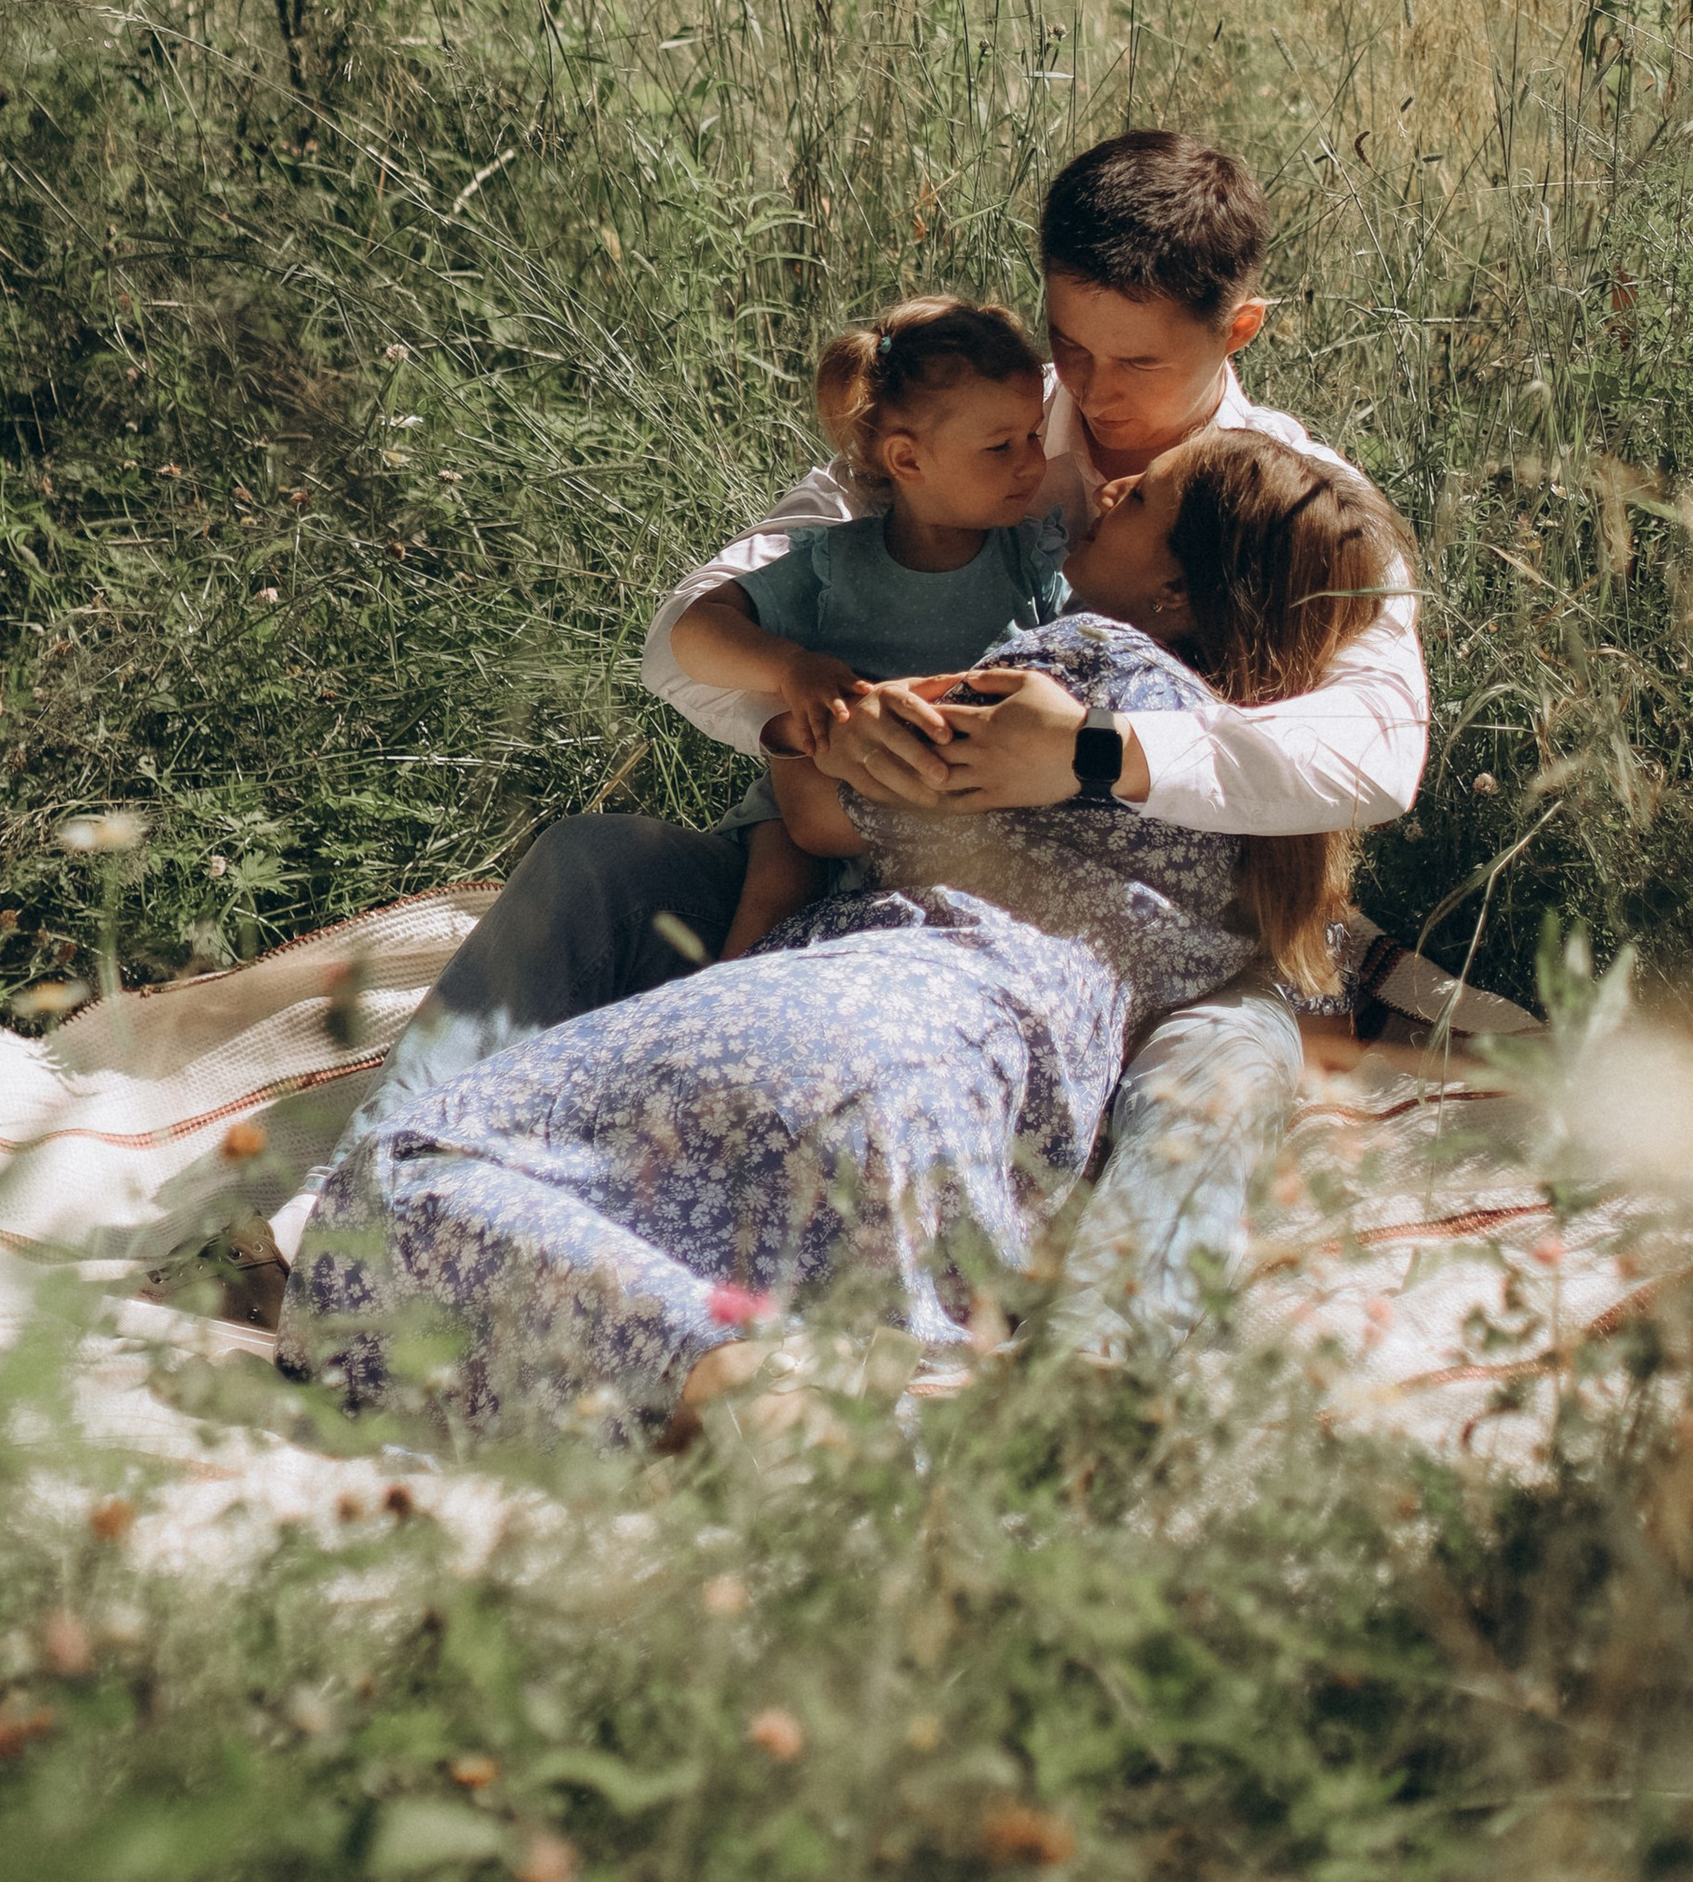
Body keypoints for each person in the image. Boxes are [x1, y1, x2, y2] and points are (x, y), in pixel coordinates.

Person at [344, 131, 1428, 1353]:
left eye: (1136, 360)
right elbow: (692, 636)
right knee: (595, 862)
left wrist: (1087, 758)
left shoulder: (1287, 496)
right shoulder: (983, 423)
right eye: (1072, 344)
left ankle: (1117, 1358)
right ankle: (342, 1217)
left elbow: (1379, 753)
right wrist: (826, 700)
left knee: (1225, 1057)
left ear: (1237, 332)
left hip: (1160, 933)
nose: (1095, 389)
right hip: (885, 868)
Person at [278, 433, 1405, 1441]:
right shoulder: (1272, 841)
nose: (1106, 489)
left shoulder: (1082, 666)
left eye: (1143, 497)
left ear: (1172, 589)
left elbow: (818, 805)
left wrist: (809, 721)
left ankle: (726, 1377)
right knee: (654, 1232)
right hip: (977, 1152)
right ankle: (841, 1388)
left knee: (402, 1179)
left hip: (843, 1023)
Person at [665, 297, 1069, 957]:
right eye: (1001, 447)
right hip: (823, 807)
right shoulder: (833, 563)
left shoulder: (1033, 564)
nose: (1032, 463)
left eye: (1035, 434)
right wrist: (791, 668)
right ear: (907, 460)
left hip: (954, 815)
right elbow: (694, 633)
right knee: (776, 886)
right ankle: (703, 1028)